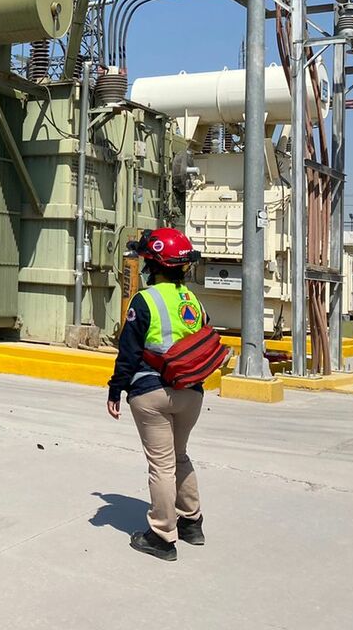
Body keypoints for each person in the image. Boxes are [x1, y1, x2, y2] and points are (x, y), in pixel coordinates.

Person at [106, 227, 208, 561]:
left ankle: (163, 536)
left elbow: (129, 351)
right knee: (180, 457)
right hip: (191, 392)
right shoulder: (191, 300)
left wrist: (116, 389)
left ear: (152, 264)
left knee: (161, 465)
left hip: (152, 392)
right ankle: (192, 522)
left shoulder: (145, 300)